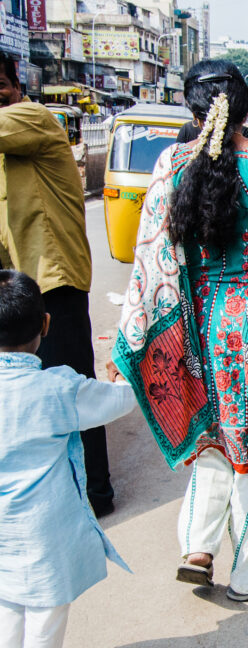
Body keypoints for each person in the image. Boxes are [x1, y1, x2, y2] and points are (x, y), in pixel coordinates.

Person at [113, 60, 248, 602]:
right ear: (245, 106)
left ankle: (197, 547)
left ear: (192, 107)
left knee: (211, 439)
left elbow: (154, 260)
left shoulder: (170, 164)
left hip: (197, 325)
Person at [0, 270, 134, 648]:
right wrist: (122, 376)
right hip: (43, 526)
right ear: (45, 325)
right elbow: (118, 403)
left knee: (6, 593)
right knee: (45, 605)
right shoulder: (57, 387)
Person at [0, 53, 115, 516]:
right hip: (18, 285)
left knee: (71, 388)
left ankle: (96, 492)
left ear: (16, 85)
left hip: (55, 279)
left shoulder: (31, 117)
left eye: (1, 85)